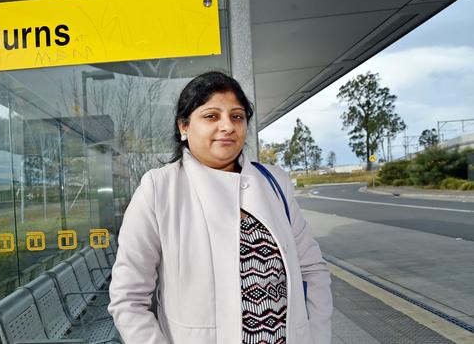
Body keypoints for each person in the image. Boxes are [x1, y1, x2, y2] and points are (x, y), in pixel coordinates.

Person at [108, 71, 332, 344]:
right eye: (211, 116)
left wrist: (317, 337)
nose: (227, 126)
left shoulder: (274, 183)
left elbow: (312, 270)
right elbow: (127, 298)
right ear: (184, 127)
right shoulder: (159, 190)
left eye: (237, 116)